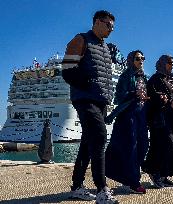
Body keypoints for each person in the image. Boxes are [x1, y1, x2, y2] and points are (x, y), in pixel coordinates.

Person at [62, 10, 118, 203]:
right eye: (108, 24)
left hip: (101, 100)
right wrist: (86, 81)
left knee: (87, 143)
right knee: (101, 136)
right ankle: (102, 189)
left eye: (113, 26)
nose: (111, 29)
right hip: (85, 99)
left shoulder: (105, 47)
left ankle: (77, 186)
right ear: (96, 22)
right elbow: (67, 71)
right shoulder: (81, 39)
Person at [142, 54, 173, 188]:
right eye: (169, 63)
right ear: (162, 63)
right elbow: (151, 97)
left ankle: (164, 175)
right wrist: (169, 103)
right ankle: (154, 172)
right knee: (164, 145)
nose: (172, 65)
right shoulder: (155, 79)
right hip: (159, 120)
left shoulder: (171, 81)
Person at [105, 50, 149, 194]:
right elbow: (118, 97)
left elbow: (145, 95)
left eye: (142, 58)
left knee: (143, 146)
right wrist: (133, 94)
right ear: (131, 60)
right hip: (128, 115)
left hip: (141, 115)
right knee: (132, 148)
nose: (141, 60)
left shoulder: (143, 77)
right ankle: (134, 182)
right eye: (137, 58)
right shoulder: (125, 75)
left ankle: (130, 177)